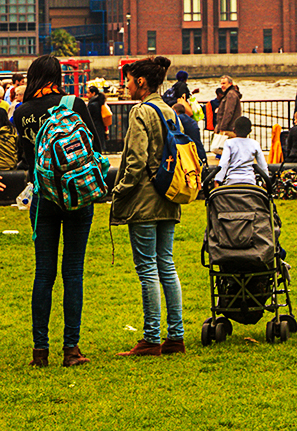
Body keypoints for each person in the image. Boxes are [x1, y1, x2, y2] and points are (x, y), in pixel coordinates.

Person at [14, 54, 97, 367]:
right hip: (77, 196)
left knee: (43, 273)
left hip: (43, 198)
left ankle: (40, 351)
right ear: (57, 77)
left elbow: (25, 157)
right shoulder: (74, 105)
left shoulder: (21, 112)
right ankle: (71, 349)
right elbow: (95, 148)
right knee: (73, 272)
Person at [111, 56, 185, 358]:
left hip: (143, 200)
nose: (126, 86)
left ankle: (151, 338)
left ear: (141, 82)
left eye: (128, 80)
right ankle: (176, 337)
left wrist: (119, 190)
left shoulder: (141, 112)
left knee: (147, 269)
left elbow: (136, 160)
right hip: (169, 196)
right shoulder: (171, 111)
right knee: (166, 264)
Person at [214, 116, 270, 187]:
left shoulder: (229, 143)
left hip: (232, 180)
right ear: (250, 131)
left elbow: (224, 163)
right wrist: (266, 180)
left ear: (234, 130)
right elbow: (262, 165)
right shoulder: (255, 144)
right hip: (250, 180)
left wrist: (218, 179)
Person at [85, 83, 108, 152]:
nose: (87, 95)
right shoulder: (99, 102)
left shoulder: (92, 105)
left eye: (88, 93)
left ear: (93, 93)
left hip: (94, 128)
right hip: (100, 128)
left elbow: (88, 117)